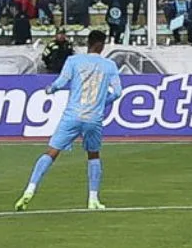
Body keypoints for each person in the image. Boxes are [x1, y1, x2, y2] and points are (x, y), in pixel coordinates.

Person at [16, 31, 121, 212]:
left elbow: (61, 81)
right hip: (93, 118)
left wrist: (51, 89)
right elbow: (118, 92)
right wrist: (102, 103)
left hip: (72, 115)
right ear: (102, 45)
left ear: (88, 43)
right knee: (93, 155)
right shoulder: (109, 65)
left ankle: (30, 189)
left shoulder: (73, 61)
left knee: (51, 152)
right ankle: (93, 199)